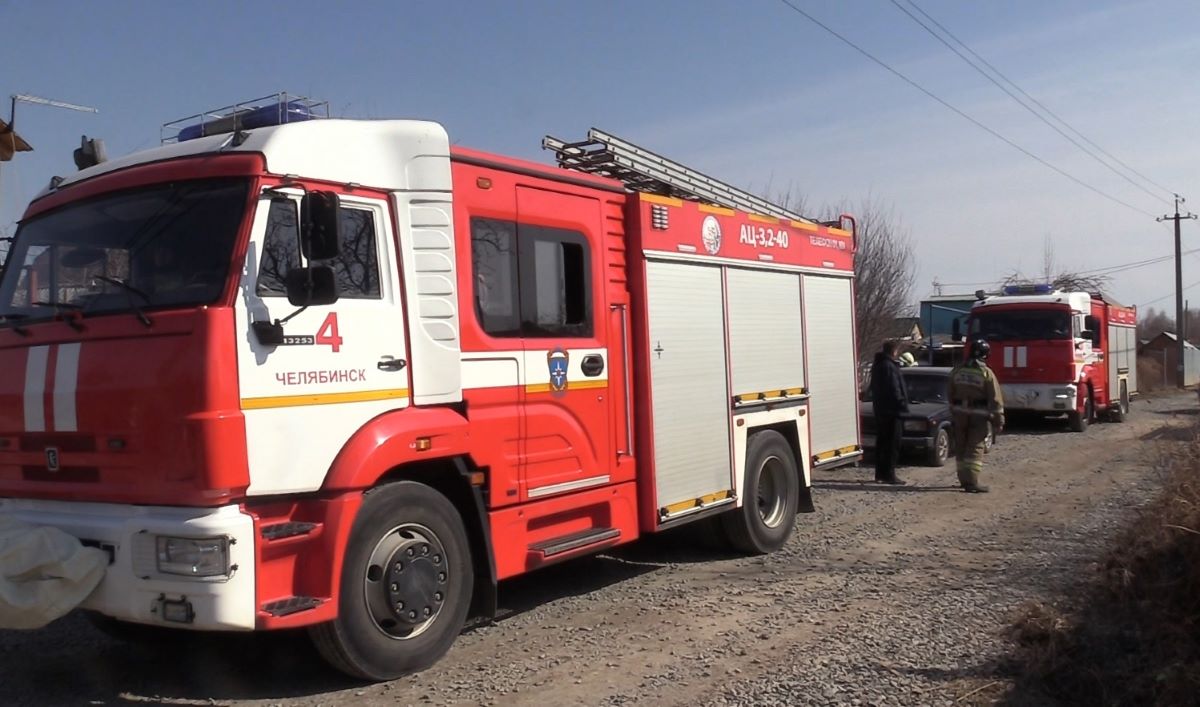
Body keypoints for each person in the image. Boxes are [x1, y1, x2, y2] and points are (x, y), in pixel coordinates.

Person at [948, 339, 1005, 493]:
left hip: (960, 414)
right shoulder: (986, 373)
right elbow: (995, 399)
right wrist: (999, 420)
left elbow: (950, 391)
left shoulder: (958, 370)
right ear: (985, 355)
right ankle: (972, 482)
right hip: (978, 416)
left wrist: (953, 410)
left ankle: (963, 479)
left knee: (960, 446)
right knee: (975, 448)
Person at [869, 340, 909, 485]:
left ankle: (880, 474)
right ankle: (889, 474)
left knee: (882, 444)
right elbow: (894, 388)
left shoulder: (878, 365)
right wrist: (902, 404)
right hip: (892, 411)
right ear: (894, 351)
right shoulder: (889, 366)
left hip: (881, 410)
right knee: (892, 445)